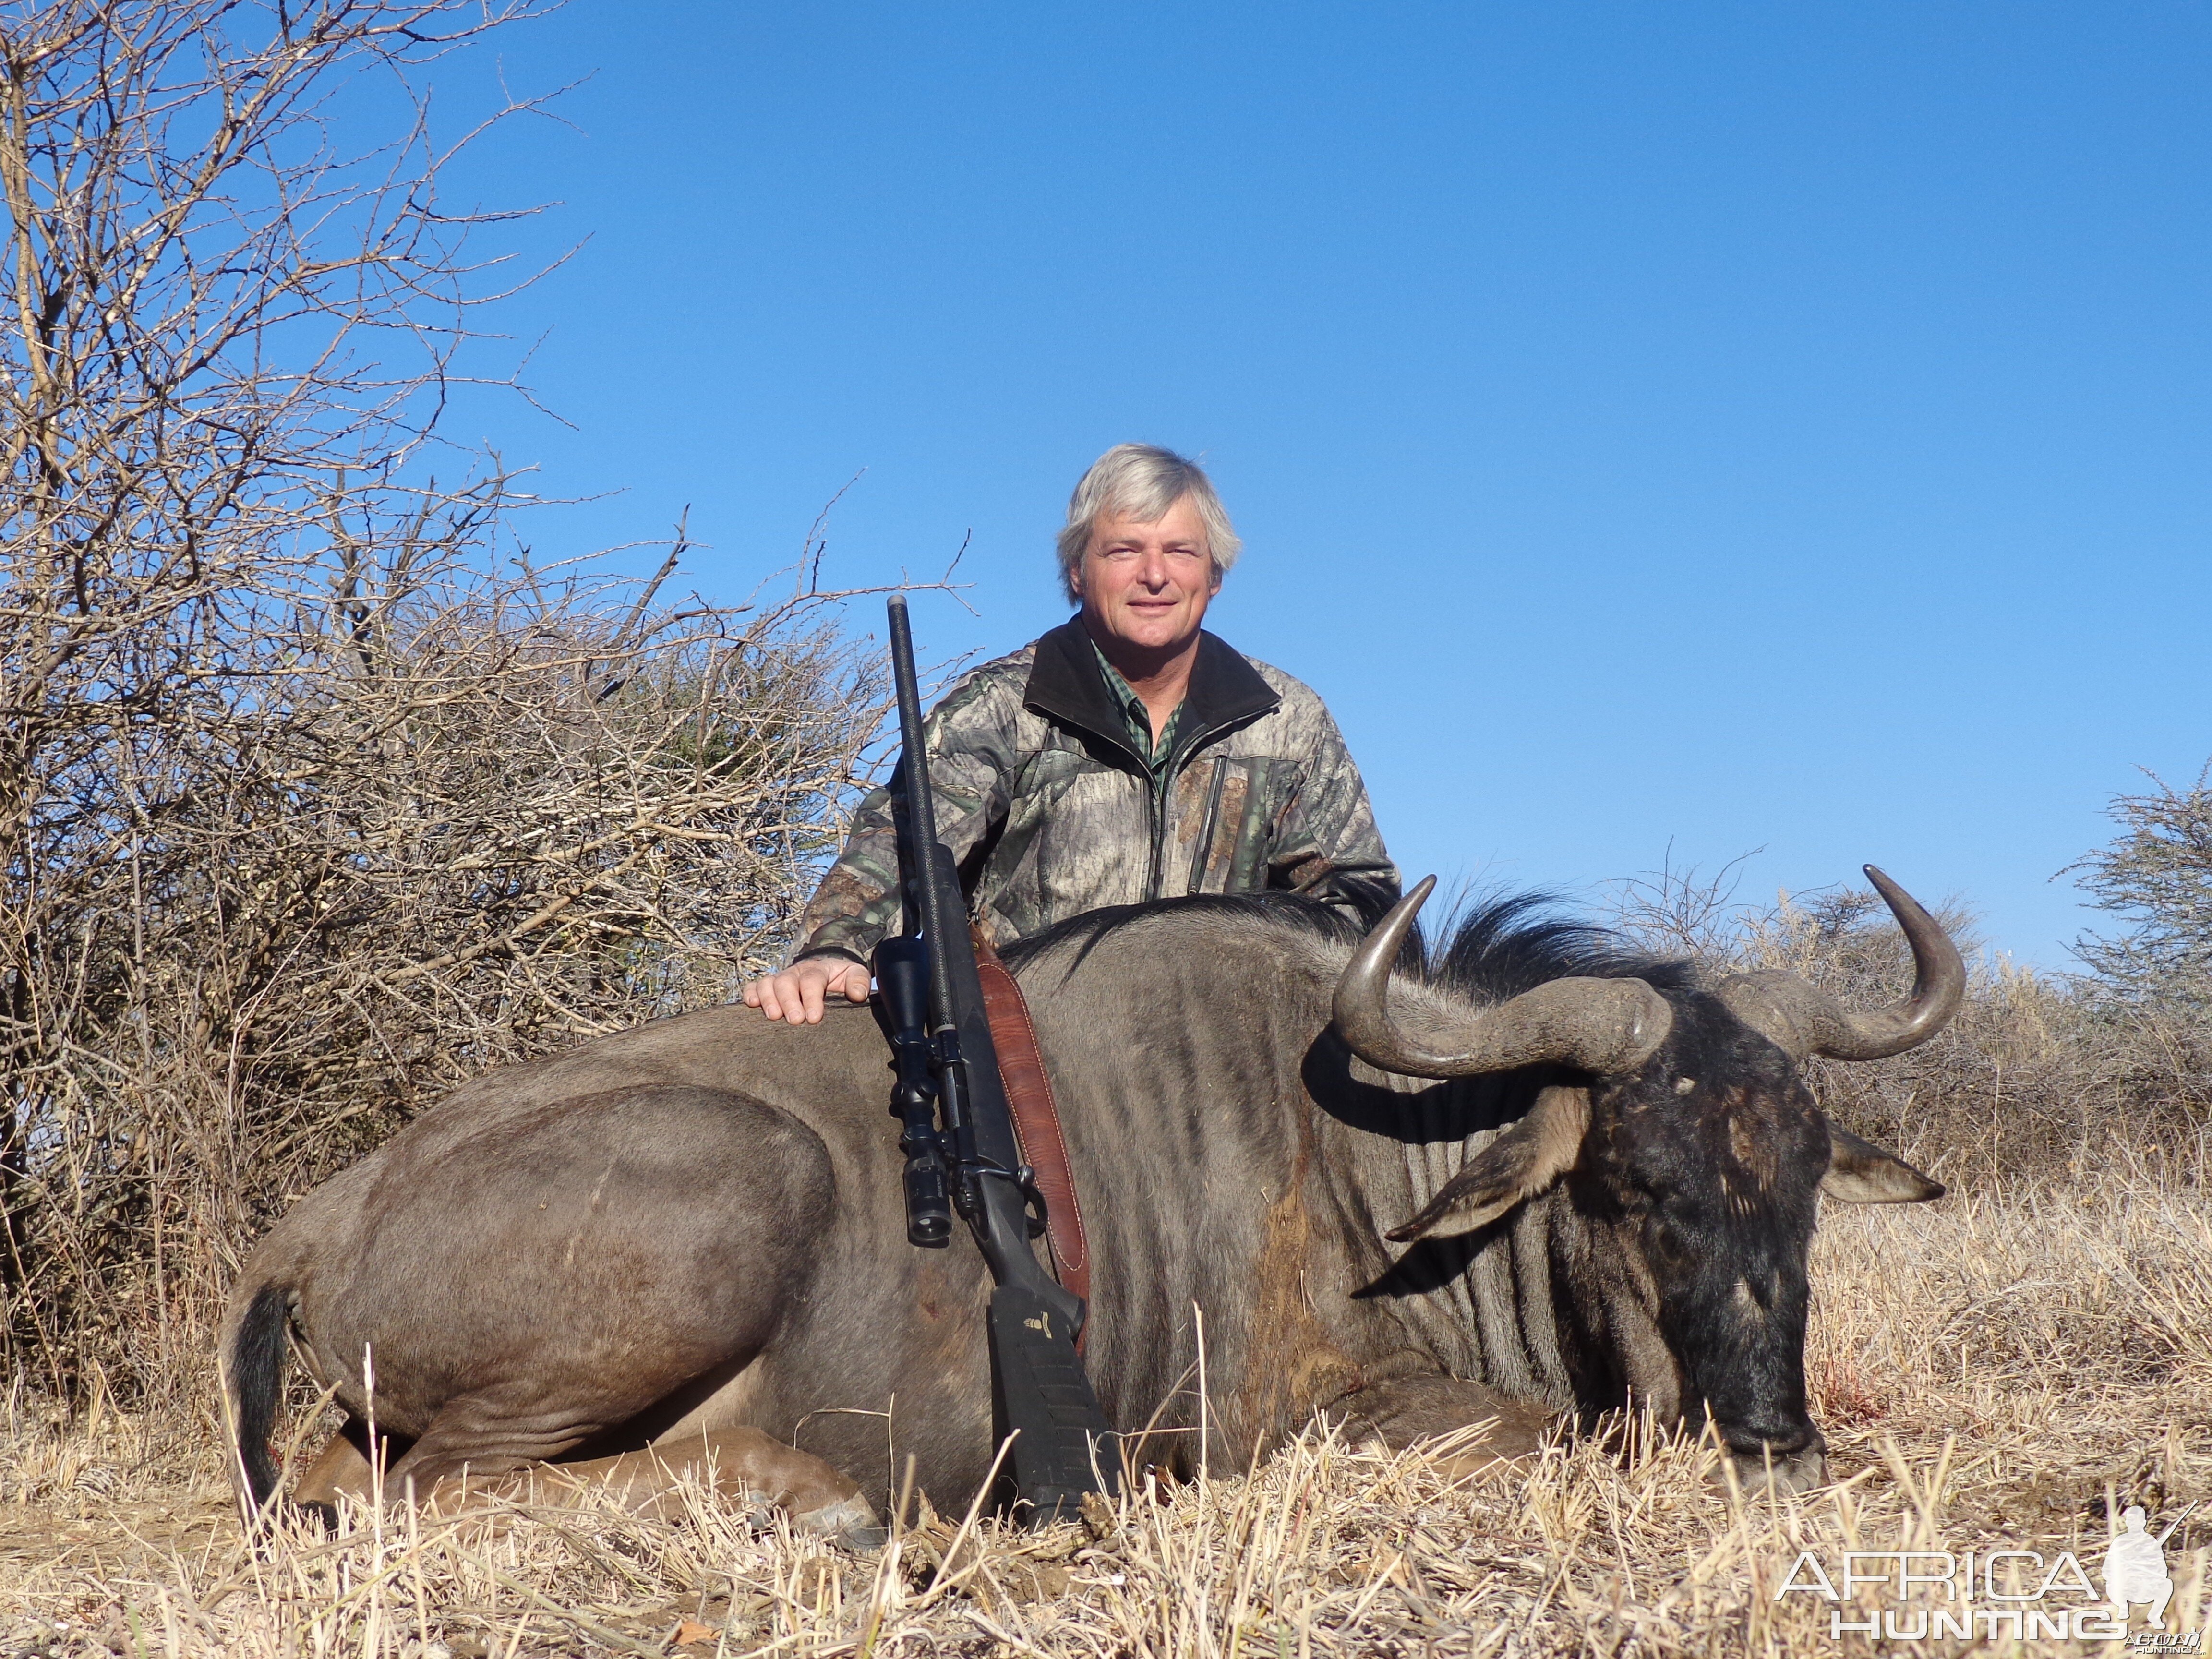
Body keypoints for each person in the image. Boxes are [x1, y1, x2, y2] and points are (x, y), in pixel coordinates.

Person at [742, 442, 1400, 1023]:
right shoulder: (1003, 706)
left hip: (1225, 1060)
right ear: (1078, 572)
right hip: (1042, 1053)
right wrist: (832, 950)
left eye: (1180, 551)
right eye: (1124, 551)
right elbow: (902, 846)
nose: (1154, 575)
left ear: (1215, 576)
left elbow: (1359, 896)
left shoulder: (1285, 719)